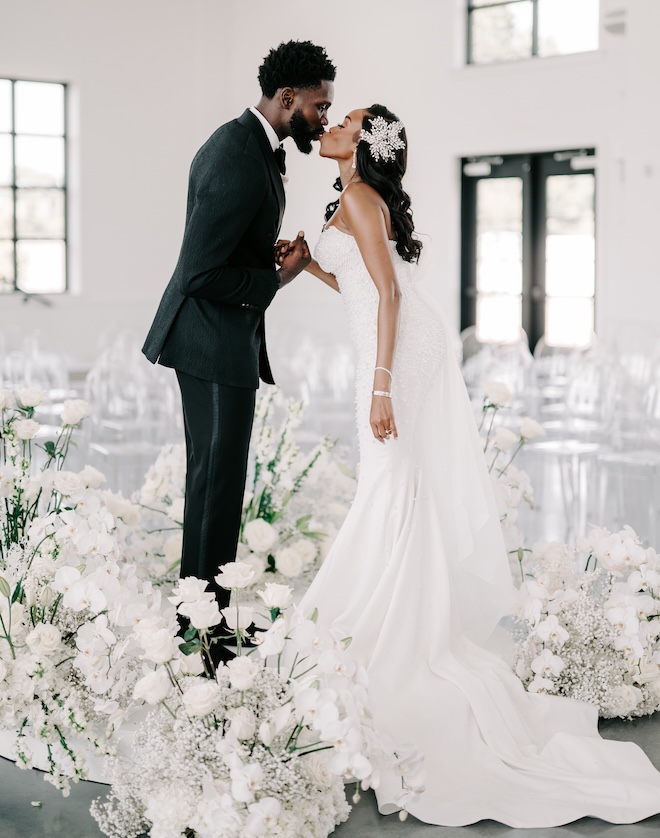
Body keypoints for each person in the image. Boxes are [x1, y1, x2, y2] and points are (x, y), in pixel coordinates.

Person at [281, 104, 660, 827]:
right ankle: (397, 616)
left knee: (390, 478)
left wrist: (383, 383)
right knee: (396, 482)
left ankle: (396, 634)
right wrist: (308, 271)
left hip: (397, 355)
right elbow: (366, 282)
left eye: (347, 119)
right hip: (395, 345)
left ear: (361, 144)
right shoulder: (354, 198)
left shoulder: (360, 197)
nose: (333, 124)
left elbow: (388, 293)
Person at [142, 42, 335, 652]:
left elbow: (222, 246)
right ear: (287, 99)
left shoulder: (249, 145)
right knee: (217, 486)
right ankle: (201, 633)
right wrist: (281, 275)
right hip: (209, 345)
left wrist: (262, 253)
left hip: (217, 341)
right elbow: (198, 272)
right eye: (318, 105)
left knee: (214, 484)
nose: (324, 118)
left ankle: (201, 623)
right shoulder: (236, 154)